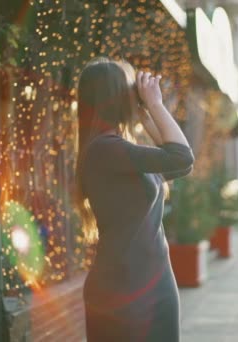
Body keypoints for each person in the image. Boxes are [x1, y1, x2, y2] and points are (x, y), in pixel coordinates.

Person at [74, 57, 194, 341]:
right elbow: (182, 155)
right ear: (114, 98)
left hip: (154, 284)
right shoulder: (105, 150)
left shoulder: (121, 151)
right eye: (130, 89)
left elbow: (179, 165)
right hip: (124, 292)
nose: (135, 94)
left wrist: (147, 116)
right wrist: (155, 104)